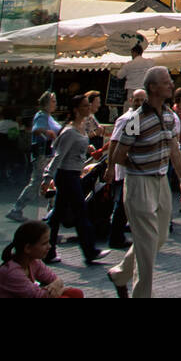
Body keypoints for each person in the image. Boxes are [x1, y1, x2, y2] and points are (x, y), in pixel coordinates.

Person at [107, 67, 181, 298]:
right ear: (153, 87)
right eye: (166, 82)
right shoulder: (135, 119)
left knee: (160, 236)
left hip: (161, 180)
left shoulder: (168, 115)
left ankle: (121, 273)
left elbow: (174, 147)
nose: (171, 85)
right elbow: (117, 155)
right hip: (139, 183)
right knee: (146, 246)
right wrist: (138, 167)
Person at [41, 93, 105, 267]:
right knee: (80, 212)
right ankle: (90, 250)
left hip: (72, 173)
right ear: (76, 110)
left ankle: (48, 249)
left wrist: (88, 148)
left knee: (58, 215)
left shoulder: (81, 127)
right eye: (84, 106)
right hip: (67, 175)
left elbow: (73, 150)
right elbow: (59, 156)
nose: (88, 108)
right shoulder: (70, 131)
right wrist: (47, 178)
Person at [0, 221, 83, 298]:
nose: (49, 246)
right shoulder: (12, 272)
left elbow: (55, 279)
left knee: (76, 293)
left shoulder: (34, 262)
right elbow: (40, 296)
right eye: (44, 243)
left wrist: (56, 284)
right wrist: (59, 289)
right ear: (28, 248)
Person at [105, 89, 147, 248]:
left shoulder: (139, 118)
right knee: (122, 204)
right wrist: (110, 167)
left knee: (127, 204)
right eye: (137, 100)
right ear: (131, 100)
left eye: (142, 100)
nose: (139, 103)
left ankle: (120, 235)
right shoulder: (127, 119)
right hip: (126, 168)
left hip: (135, 168)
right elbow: (114, 143)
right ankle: (116, 237)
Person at [8, 91, 59, 222]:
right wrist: (49, 133)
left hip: (49, 153)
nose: (55, 104)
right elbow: (37, 129)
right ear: (46, 103)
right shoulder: (41, 116)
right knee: (37, 182)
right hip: (42, 153)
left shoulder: (49, 116)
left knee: (49, 181)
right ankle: (17, 209)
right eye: (53, 101)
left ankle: (51, 211)